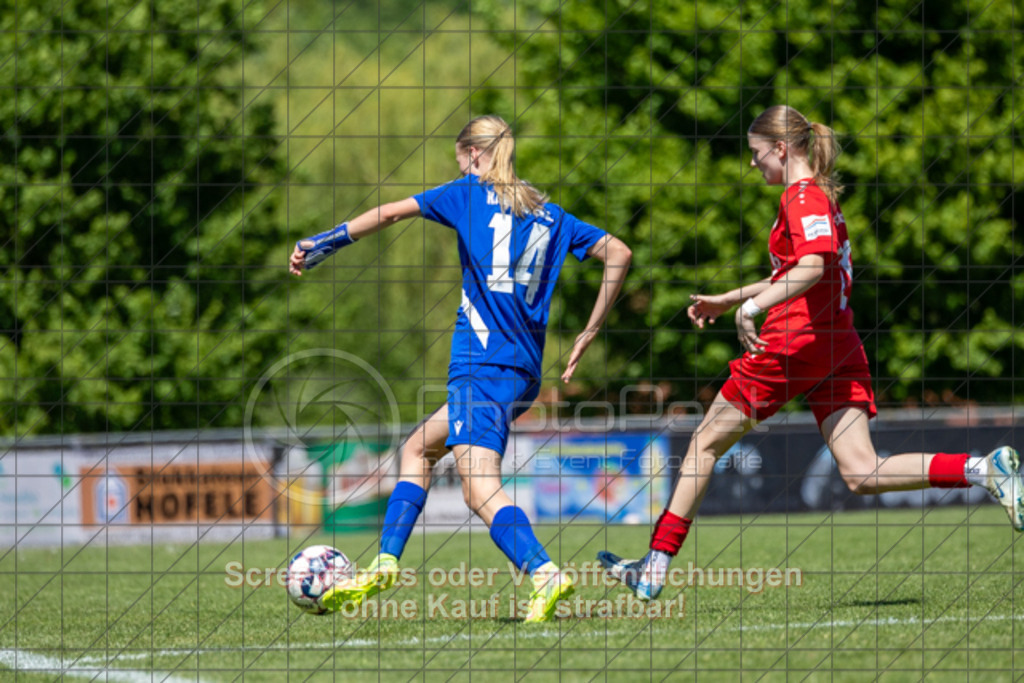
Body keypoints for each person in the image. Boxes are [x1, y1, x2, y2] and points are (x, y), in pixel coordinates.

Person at [599, 105, 1023, 601]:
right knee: (862, 471)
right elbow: (797, 271)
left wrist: (752, 308)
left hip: (792, 344)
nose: (753, 163)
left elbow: (814, 267)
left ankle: (653, 567)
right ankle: (983, 469)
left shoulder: (801, 197)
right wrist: (731, 298)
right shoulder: (818, 197)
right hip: (834, 347)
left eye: (757, 153)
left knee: (704, 444)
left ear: (781, 149)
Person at [289, 115, 632, 621]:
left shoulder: (466, 193)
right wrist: (590, 329)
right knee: (417, 449)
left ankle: (544, 572)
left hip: (481, 364)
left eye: (459, 159)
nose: (459, 168)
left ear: (473, 154)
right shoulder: (551, 214)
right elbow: (619, 252)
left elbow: (389, 213)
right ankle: (385, 562)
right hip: (521, 373)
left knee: (479, 489)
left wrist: (323, 242)